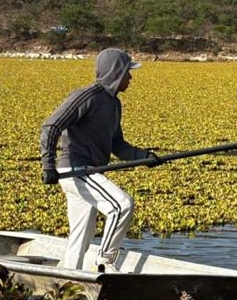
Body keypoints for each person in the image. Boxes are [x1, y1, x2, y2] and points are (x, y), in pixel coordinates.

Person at [40, 48, 160, 272]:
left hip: (89, 171)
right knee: (121, 205)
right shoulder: (88, 96)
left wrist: (145, 157)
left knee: (81, 236)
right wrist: (48, 164)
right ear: (116, 72)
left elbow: (117, 144)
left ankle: (68, 279)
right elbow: (51, 126)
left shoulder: (114, 104)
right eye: (128, 73)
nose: (131, 78)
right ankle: (104, 261)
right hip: (77, 170)